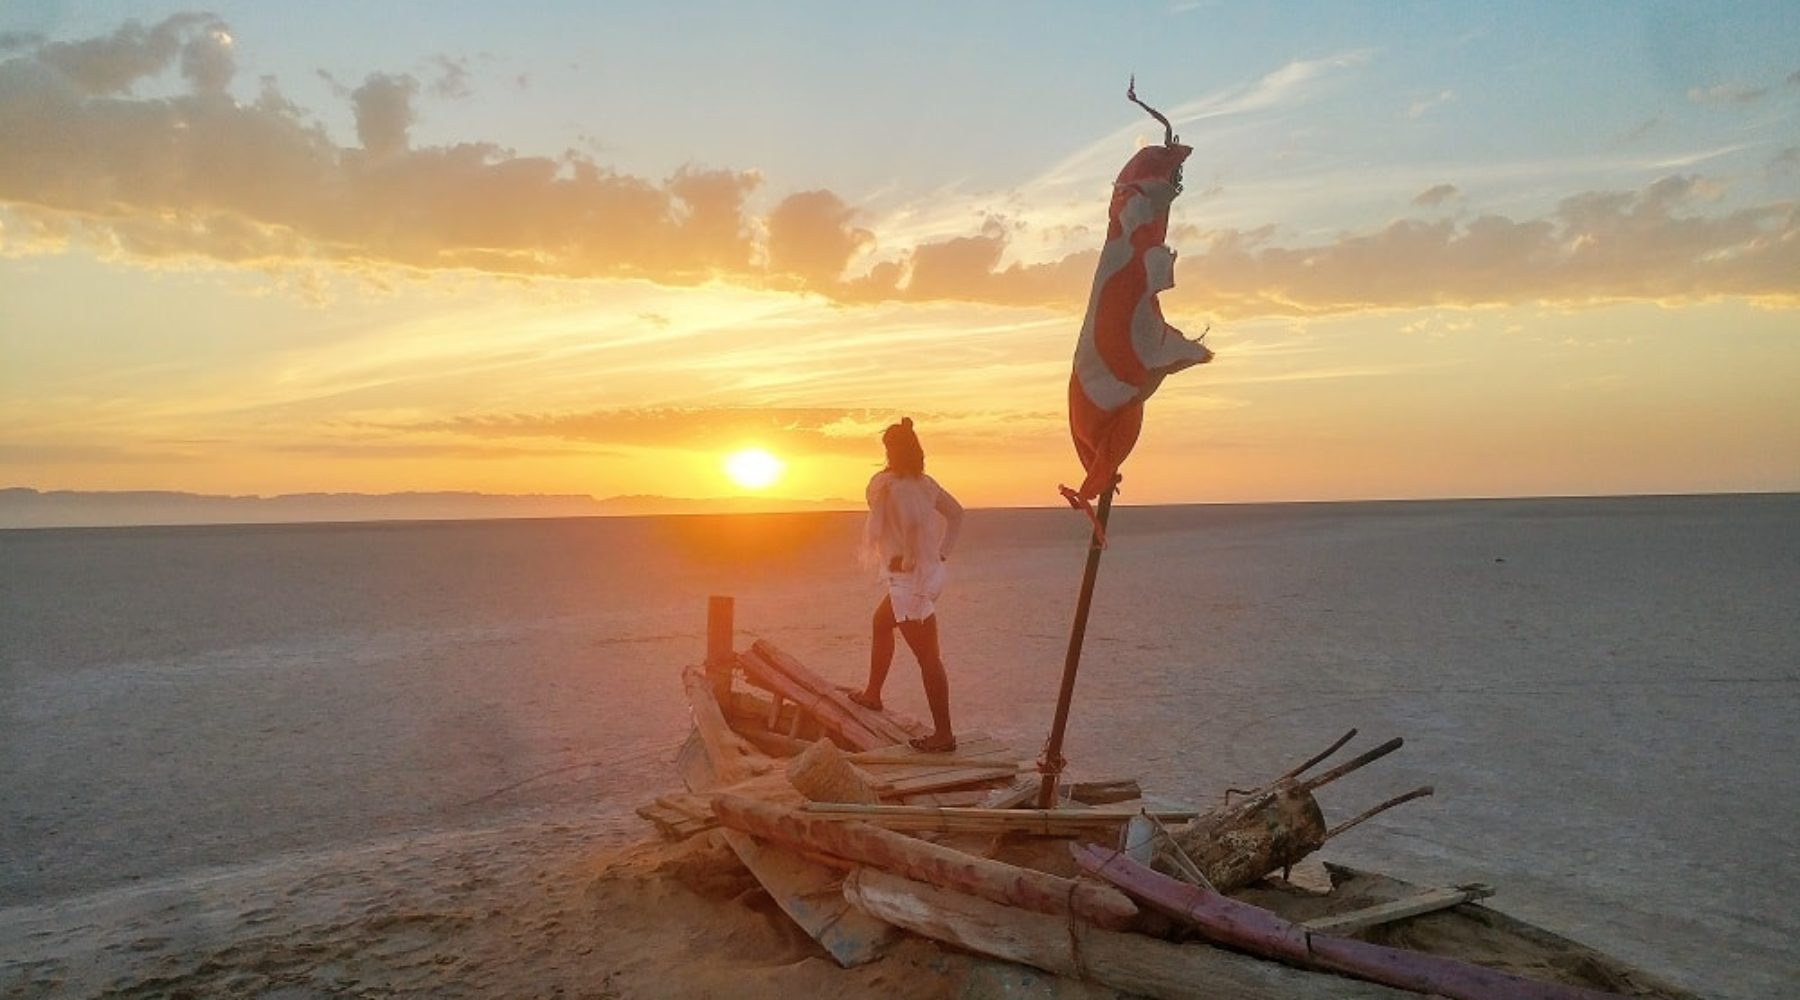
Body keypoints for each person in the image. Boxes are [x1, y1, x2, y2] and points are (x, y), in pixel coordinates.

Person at [850, 417, 964, 752]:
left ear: (891, 451)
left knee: (928, 657)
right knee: (880, 623)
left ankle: (944, 735)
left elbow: (880, 510)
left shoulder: (885, 484)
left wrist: (929, 555)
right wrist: (940, 555)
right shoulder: (926, 484)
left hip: (908, 581)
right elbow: (957, 515)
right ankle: (873, 693)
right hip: (923, 575)